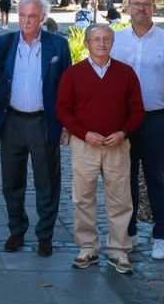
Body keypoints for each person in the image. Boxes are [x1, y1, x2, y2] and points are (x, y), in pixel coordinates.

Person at [0, 0, 73, 257]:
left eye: (32, 17)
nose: (26, 21)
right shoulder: (5, 43)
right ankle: (16, 231)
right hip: (12, 121)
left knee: (47, 183)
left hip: (43, 122)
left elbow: (66, 87)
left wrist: (66, 124)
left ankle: (45, 236)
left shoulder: (58, 46)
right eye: (22, 15)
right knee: (11, 182)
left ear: (42, 18)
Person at [56, 24, 144, 274]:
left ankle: (119, 249)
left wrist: (123, 133)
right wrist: (84, 134)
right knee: (83, 198)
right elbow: (63, 110)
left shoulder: (126, 73)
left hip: (117, 144)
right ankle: (88, 247)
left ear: (112, 43)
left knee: (120, 199)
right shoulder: (73, 74)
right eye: (96, 39)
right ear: (87, 43)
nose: (102, 44)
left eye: (106, 39)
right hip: (85, 144)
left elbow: (137, 110)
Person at [112, 0, 164, 260]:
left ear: (154, 7)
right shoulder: (115, 40)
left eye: (146, 4)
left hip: (155, 119)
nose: (141, 9)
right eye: (136, 4)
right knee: (125, 178)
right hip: (123, 120)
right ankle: (129, 231)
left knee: (155, 178)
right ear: (128, 7)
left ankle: (161, 234)